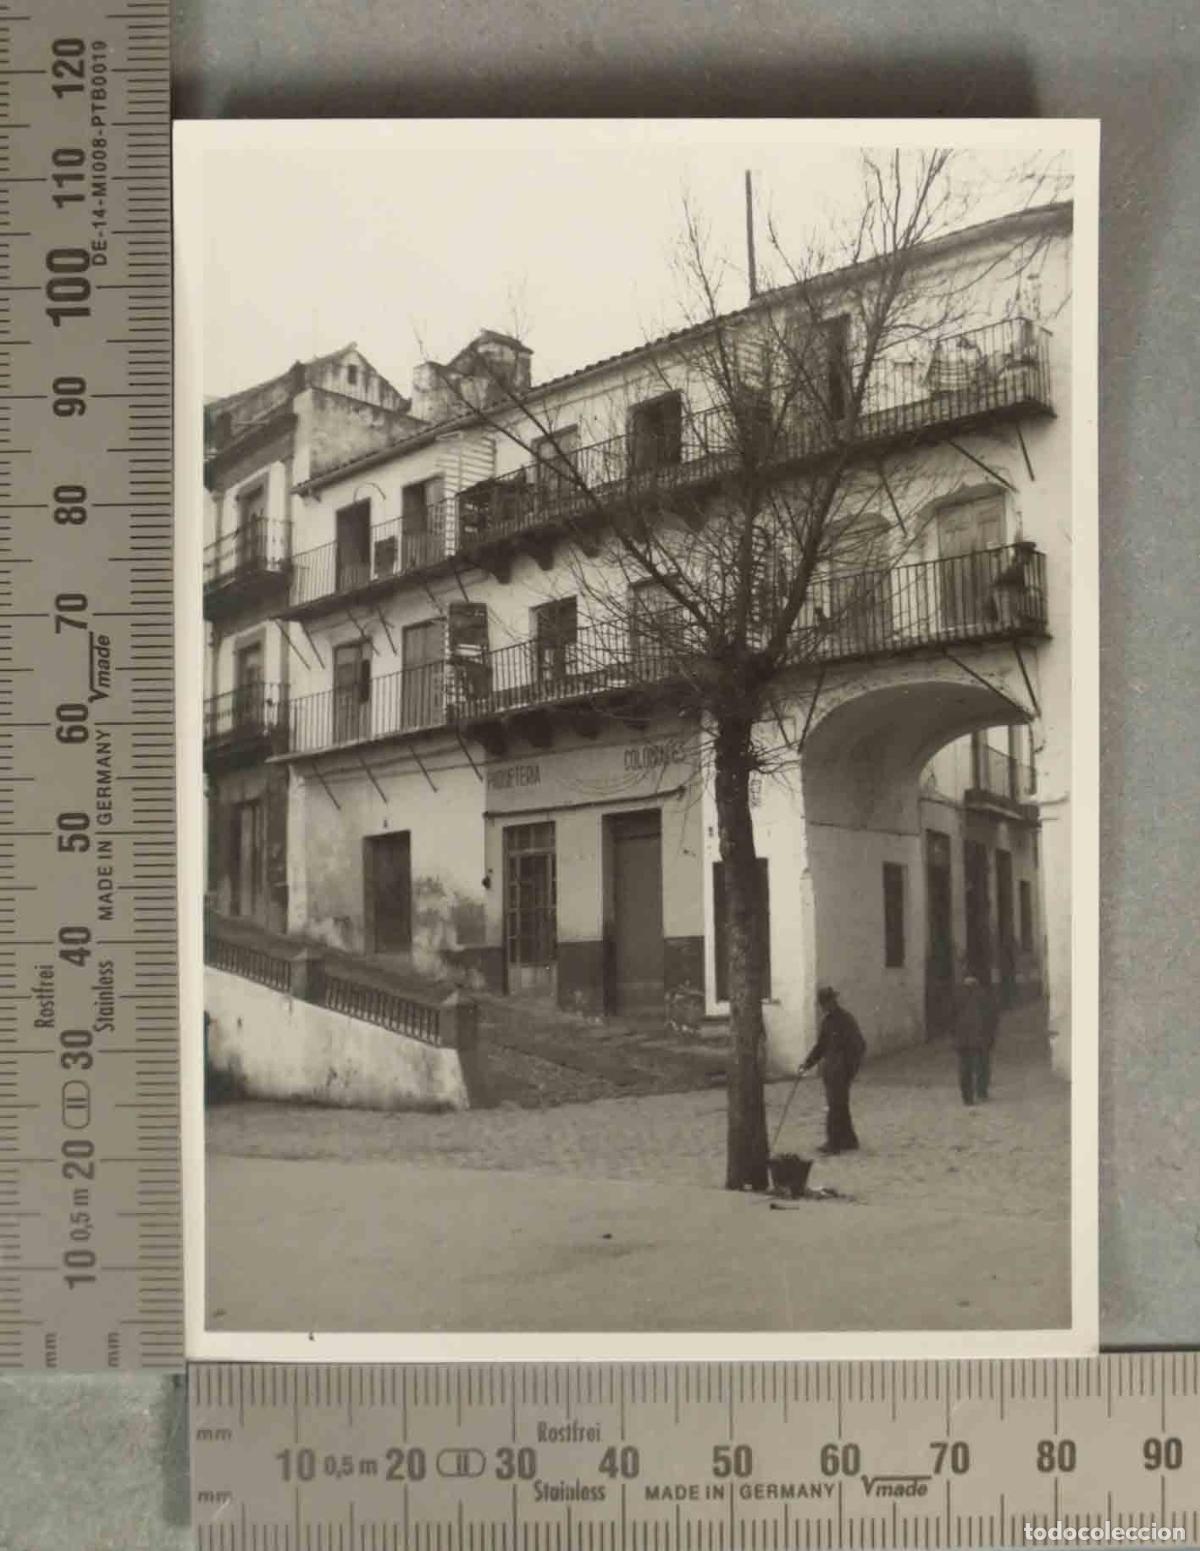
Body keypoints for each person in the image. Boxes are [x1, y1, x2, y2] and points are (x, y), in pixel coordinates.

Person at [800, 986, 867, 1154]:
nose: (825, 1007)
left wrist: (850, 1069)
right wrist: (806, 1064)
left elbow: (859, 1046)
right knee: (840, 1105)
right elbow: (820, 1047)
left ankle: (834, 1142)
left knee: (835, 1106)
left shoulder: (846, 1020)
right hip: (830, 1071)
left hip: (842, 1070)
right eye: (823, 1004)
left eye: (827, 1003)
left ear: (833, 1001)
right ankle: (849, 1140)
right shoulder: (827, 1022)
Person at [952, 970, 999, 1105]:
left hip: (962, 1039)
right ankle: (981, 1091)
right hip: (981, 1038)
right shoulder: (985, 995)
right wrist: (991, 1035)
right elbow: (993, 1017)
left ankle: (967, 1097)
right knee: (982, 1065)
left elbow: (950, 1017)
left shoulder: (957, 995)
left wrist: (954, 1035)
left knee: (964, 1067)